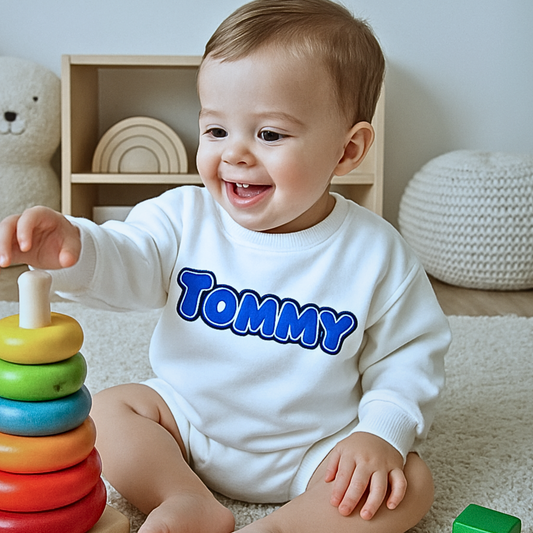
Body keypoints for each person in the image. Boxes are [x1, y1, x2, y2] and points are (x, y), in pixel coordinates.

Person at [0, 1, 451, 532]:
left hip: (315, 447)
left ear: (347, 150)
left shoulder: (376, 253)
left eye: (270, 135)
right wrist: (78, 249)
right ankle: (184, 499)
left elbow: (410, 357)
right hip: (187, 424)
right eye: (215, 131)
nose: (234, 154)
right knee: (106, 409)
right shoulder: (185, 215)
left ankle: (285, 526)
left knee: (409, 483)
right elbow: (132, 257)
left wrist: (381, 434)